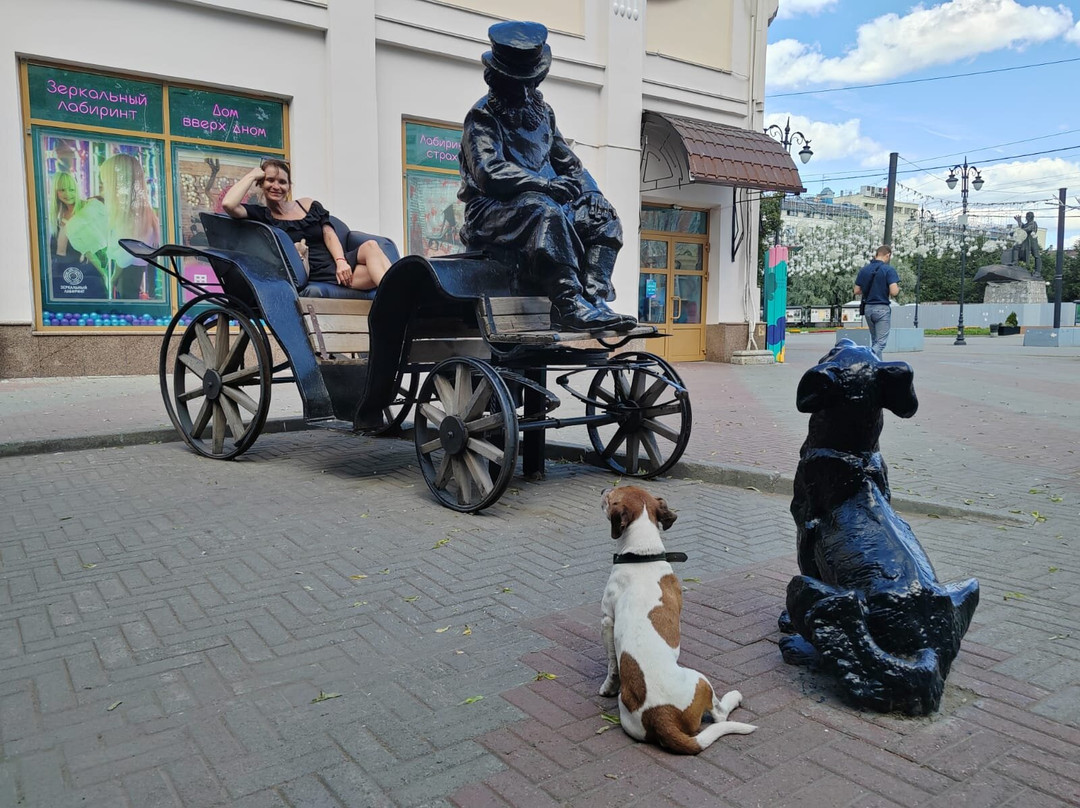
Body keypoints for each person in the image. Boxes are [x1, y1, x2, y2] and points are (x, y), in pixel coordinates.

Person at [458, 21, 635, 332]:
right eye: (518, 84)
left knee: (604, 219)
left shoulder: (544, 115)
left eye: (531, 83)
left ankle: (593, 298)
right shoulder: (482, 115)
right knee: (545, 210)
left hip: (536, 203)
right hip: (491, 211)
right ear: (499, 80)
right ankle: (568, 304)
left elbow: (571, 165)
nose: (526, 92)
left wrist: (593, 195)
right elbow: (489, 172)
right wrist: (545, 184)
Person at [221, 159, 391, 297]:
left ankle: (400, 304)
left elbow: (329, 234)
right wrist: (251, 175)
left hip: (338, 263)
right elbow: (228, 204)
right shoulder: (261, 214)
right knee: (383, 276)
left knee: (371, 246)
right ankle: (401, 306)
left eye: (282, 182)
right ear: (260, 183)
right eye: (270, 180)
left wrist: (341, 262)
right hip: (314, 271)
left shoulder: (307, 205)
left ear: (289, 187)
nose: (276, 186)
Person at [98, 153, 162, 299]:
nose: (105, 186)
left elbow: (124, 255)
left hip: (124, 275)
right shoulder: (144, 214)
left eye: (107, 181)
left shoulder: (129, 215)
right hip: (133, 274)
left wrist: (112, 278)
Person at [854, 245, 900, 358]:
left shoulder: (864, 270)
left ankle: (876, 366)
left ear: (876, 254)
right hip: (882, 309)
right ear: (888, 255)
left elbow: (856, 290)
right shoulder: (888, 269)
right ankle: (865, 357)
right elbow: (894, 292)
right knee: (881, 343)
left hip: (868, 308)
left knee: (875, 341)